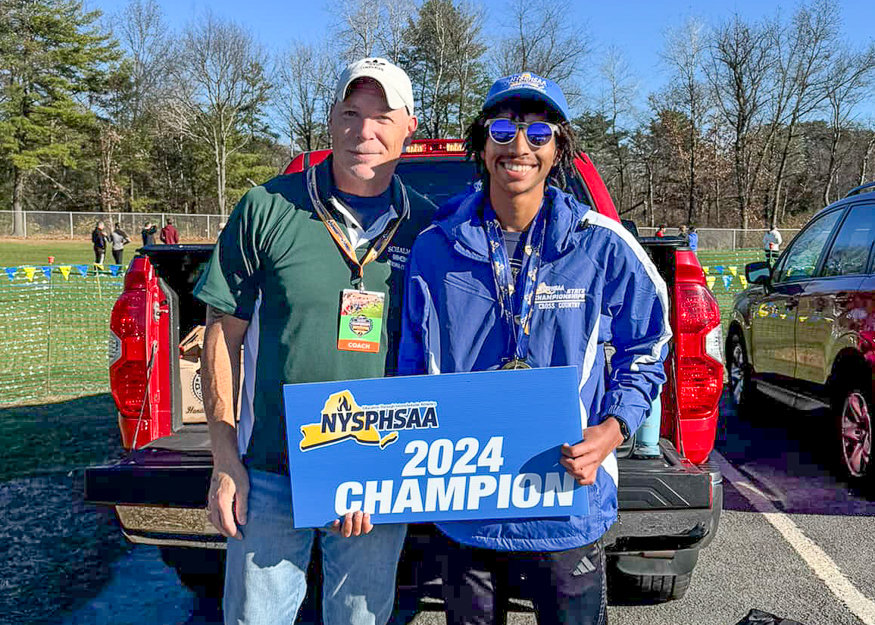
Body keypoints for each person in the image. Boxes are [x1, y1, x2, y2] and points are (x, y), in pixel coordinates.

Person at [398, 73, 670, 625]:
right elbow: (411, 362)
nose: (518, 146)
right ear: (481, 144)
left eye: (538, 132)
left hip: (566, 499)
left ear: (558, 147)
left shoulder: (602, 244)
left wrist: (612, 430)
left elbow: (649, 343)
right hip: (464, 501)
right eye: (502, 129)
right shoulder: (434, 248)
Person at [192, 57, 435, 625]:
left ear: (410, 128)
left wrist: (393, 471)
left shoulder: (427, 227)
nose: (364, 132)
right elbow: (221, 338)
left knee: (361, 617)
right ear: (329, 119)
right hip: (271, 471)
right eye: (351, 113)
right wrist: (225, 458)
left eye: (382, 116)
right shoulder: (267, 208)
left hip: (379, 474)